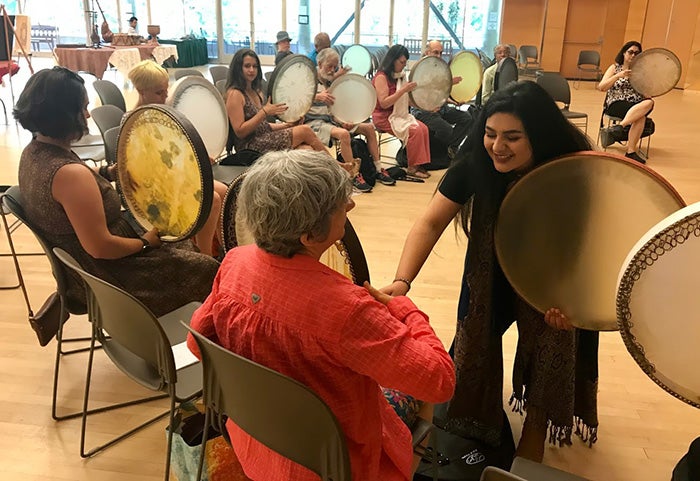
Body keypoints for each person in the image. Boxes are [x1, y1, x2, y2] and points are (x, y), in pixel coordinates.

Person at [187, 149, 455, 481]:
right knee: (414, 393)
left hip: (258, 441)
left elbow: (197, 344)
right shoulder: (348, 309)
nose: (351, 205)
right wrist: (401, 308)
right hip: (336, 465)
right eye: (339, 204)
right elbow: (440, 382)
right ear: (310, 235)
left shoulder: (235, 262)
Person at [382, 81, 599, 463]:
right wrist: (402, 281)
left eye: (513, 137)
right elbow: (430, 222)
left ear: (540, 135)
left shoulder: (573, 165)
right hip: (490, 268)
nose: (498, 146)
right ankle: (477, 419)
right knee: (469, 349)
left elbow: (589, 246)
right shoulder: (476, 161)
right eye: (490, 133)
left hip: (554, 273)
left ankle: (535, 425)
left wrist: (574, 302)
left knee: (553, 340)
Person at [13, 66, 218, 317]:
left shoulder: (34, 152)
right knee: (207, 269)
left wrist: (108, 173)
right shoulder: (69, 175)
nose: (87, 115)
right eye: (82, 108)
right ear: (63, 115)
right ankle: (193, 337)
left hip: (82, 265)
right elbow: (100, 247)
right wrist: (144, 243)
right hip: (107, 275)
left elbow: (70, 193)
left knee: (183, 240)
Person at [127, 59, 225, 257]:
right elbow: (148, 168)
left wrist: (198, 158)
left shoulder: (160, 113)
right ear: (141, 91)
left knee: (223, 190)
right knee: (212, 200)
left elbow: (174, 150)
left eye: (165, 91)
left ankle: (222, 247)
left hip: (173, 176)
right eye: (158, 93)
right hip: (155, 187)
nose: (164, 97)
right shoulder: (133, 122)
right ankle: (205, 257)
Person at [305, 47, 396, 192]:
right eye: (330, 66)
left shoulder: (330, 81)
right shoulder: (308, 79)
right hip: (315, 123)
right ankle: (353, 176)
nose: (332, 70)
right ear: (320, 64)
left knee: (369, 128)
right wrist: (315, 97)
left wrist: (342, 121)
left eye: (335, 67)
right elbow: (295, 100)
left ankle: (378, 168)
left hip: (331, 120)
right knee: (344, 135)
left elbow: (334, 109)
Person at [224, 48, 328, 155]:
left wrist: (287, 125)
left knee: (306, 150)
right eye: (247, 66)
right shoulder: (235, 94)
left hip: (263, 138)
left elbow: (262, 126)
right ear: (238, 68)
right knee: (304, 130)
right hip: (249, 147)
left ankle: (333, 168)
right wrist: (264, 112)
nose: (251, 70)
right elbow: (240, 132)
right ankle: (338, 166)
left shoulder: (255, 91)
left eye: (255, 66)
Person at [372, 44, 432, 179]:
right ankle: (412, 167)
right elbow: (384, 102)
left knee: (423, 128)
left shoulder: (399, 76)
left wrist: (425, 106)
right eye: (402, 62)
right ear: (393, 60)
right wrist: (403, 90)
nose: (403, 66)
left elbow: (405, 101)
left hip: (398, 114)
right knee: (414, 131)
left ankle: (419, 164)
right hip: (384, 116)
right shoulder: (381, 76)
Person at [412, 40, 473, 163]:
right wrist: (448, 82)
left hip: (440, 107)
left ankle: (451, 147)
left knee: (466, 118)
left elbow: (440, 93)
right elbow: (424, 90)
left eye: (441, 53)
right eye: (436, 53)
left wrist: (453, 101)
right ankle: (439, 152)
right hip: (423, 109)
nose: (439, 56)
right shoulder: (419, 68)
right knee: (446, 129)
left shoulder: (439, 68)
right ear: (427, 52)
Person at [597, 40, 653, 164]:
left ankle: (620, 126)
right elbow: (601, 87)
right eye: (630, 52)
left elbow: (645, 93)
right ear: (624, 53)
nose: (633, 55)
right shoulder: (614, 68)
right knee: (641, 117)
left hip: (635, 105)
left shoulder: (640, 72)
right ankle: (631, 153)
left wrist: (647, 93)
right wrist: (618, 76)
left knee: (649, 103)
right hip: (616, 103)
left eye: (636, 53)